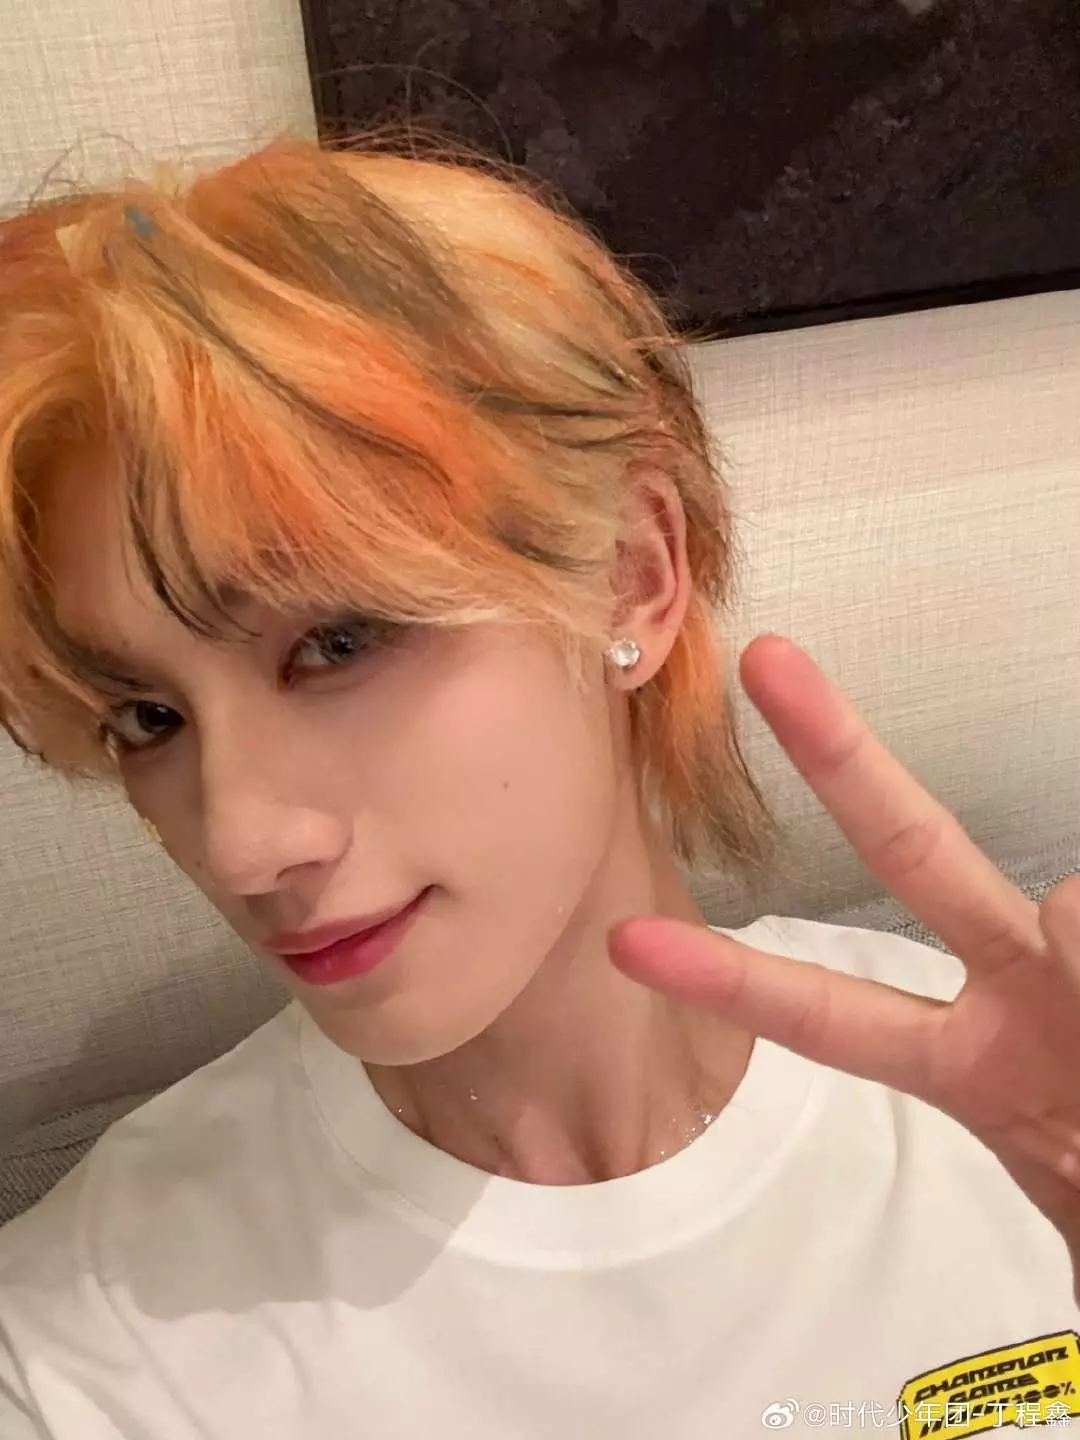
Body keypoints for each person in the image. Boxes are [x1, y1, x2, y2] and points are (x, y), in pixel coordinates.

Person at [0, 137, 1078, 1440]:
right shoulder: (88, 1352)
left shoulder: (1017, 1101)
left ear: (631, 575)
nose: (237, 844)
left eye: (337, 641)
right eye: (147, 718)